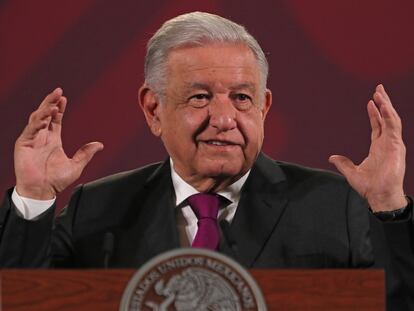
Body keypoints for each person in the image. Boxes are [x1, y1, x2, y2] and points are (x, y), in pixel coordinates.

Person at [0, 12, 413, 309]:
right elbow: (22, 301)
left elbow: (400, 301)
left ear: (264, 107)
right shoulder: (98, 208)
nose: (225, 119)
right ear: (153, 109)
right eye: (200, 97)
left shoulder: (335, 204)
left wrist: (390, 208)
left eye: (241, 97)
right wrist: (34, 197)